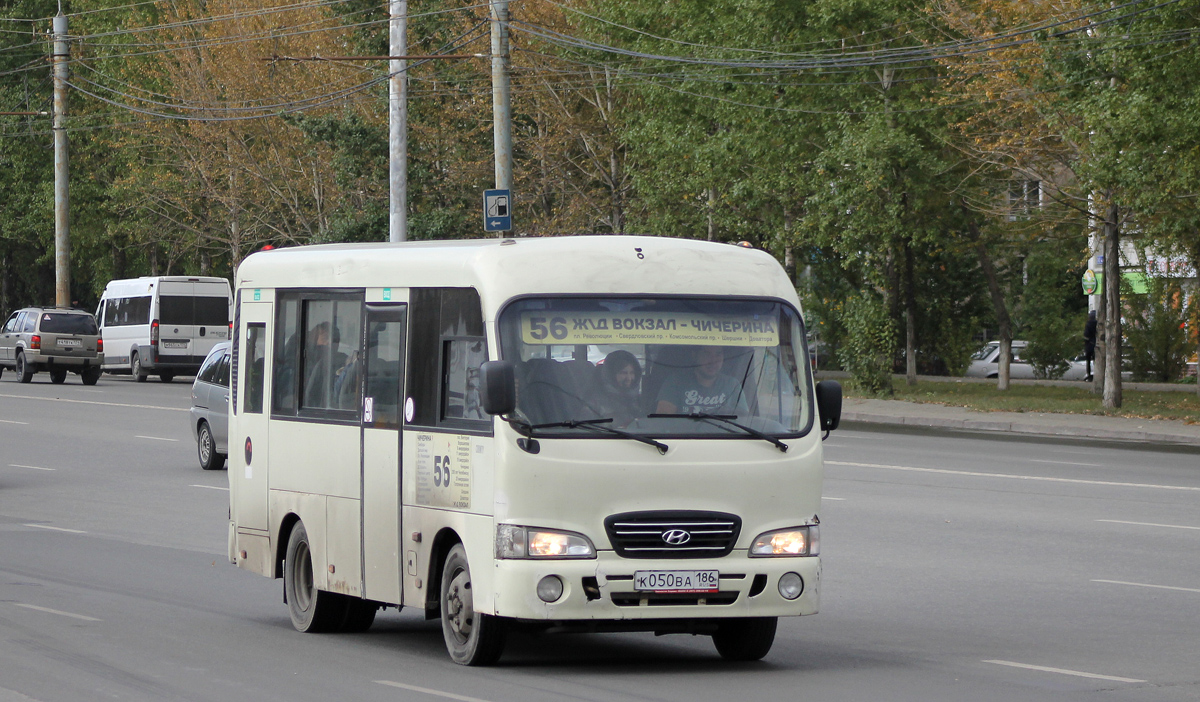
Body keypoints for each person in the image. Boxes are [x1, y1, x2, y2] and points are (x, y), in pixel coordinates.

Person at [655, 345, 748, 416]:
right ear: (695, 355)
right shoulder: (675, 382)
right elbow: (663, 422)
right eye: (706, 354)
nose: (713, 361)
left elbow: (743, 421)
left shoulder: (732, 385)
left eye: (718, 354)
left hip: (726, 438)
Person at [595, 350, 642, 426]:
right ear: (611, 375)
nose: (629, 378)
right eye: (623, 373)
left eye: (632, 373)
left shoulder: (638, 401)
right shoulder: (595, 404)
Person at [1083, 310, 1097, 382]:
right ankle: (1098, 373)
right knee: (1096, 361)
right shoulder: (1098, 324)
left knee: (1088, 361)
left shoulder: (1088, 324)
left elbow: (1086, 335)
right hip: (1097, 344)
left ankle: (1089, 374)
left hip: (1089, 345)